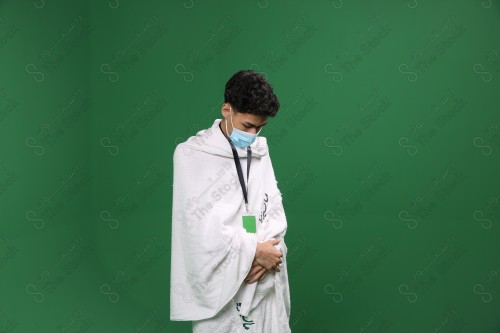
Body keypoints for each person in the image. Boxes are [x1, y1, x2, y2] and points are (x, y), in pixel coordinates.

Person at [170, 69, 291, 332]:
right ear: (227, 110)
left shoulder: (258, 150)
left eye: (260, 127)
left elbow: (272, 207)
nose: (254, 134)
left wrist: (268, 251)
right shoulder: (191, 155)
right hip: (222, 277)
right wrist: (253, 251)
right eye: (248, 126)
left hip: (262, 271)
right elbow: (197, 228)